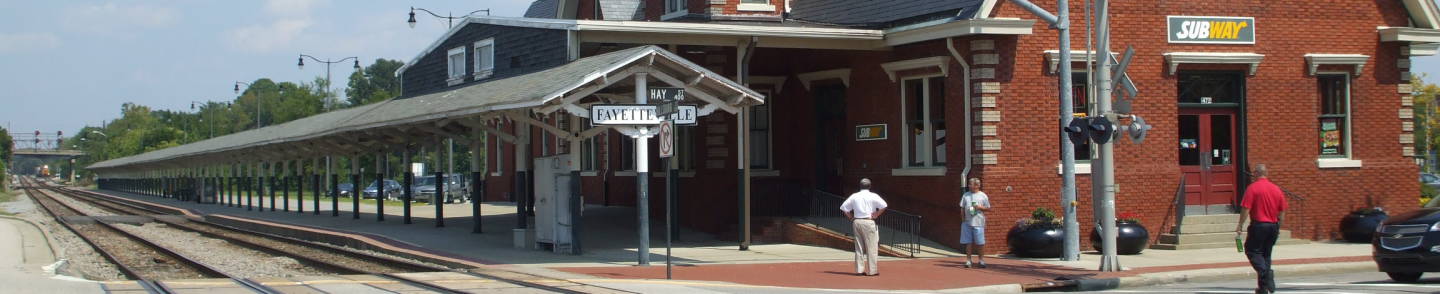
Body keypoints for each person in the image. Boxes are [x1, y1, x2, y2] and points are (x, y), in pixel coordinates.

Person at [1236, 164, 1287, 294]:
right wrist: (1278, 226)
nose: (1253, 175)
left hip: (1259, 225)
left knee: (1251, 251)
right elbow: (1282, 211)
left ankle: (1266, 274)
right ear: (1266, 173)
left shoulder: (1252, 188)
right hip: (1273, 225)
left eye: (1254, 173)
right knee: (1266, 255)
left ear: (1257, 173)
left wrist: (1240, 225)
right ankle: (1263, 288)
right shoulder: (1276, 189)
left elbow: (1246, 208)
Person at [840, 178, 887, 276]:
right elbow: (884, 205)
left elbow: (844, 208)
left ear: (860, 186)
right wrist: (877, 214)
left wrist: (851, 218)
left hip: (857, 221)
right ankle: (872, 270)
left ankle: (859, 270)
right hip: (868, 221)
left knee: (859, 247)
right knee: (871, 247)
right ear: (870, 186)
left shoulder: (854, 196)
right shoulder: (873, 196)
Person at [959, 178, 991, 268]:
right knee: (968, 242)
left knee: (980, 242)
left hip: (978, 223)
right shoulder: (966, 195)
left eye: (971, 184)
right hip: (967, 223)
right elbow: (962, 207)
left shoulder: (983, 196)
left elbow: (988, 208)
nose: (969, 185)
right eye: (969, 184)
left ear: (977, 185)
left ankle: (981, 260)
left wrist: (979, 207)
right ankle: (968, 260)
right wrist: (963, 219)